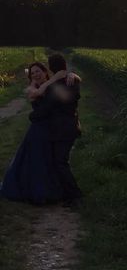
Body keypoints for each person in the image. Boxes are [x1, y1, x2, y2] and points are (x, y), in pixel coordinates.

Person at [0, 62, 78, 204]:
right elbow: (40, 95)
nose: (35, 74)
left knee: (51, 160)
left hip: (53, 129)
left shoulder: (50, 85)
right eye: (32, 73)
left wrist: (73, 75)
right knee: (38, 161)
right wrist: (55, 78)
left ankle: (58, 189)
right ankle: (40, 191)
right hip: (39, 130)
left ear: (44, 71)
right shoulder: (32, 89)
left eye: (38, 71)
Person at [46, 53, 83, 206]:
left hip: (62, 129)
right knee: (60, 161)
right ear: (65, 66)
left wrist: (33, 116)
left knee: (60, 162)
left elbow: (48, 108)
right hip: (70, 127)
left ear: (50, 68)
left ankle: (75, 196)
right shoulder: (72, 81)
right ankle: (66, 193)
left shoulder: (54, 86)